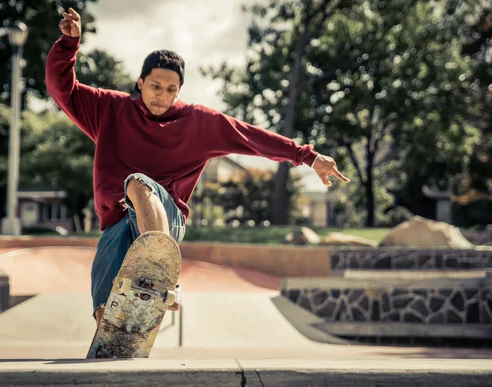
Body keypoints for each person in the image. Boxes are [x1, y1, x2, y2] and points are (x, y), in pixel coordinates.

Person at [46, 8, 350, 326]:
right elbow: (60, 89)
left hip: (169, 220)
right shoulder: (109, 109)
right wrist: (69, 45)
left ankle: (159, 275)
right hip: (118, 224)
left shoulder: (199, 123)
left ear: (179, 89)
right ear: (140, 82)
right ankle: (118, 329)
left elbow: (252, 137)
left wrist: (308, 156)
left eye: (170, 89)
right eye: (155, 87)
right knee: (104, 309)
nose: (161, 96)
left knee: (138, 183)